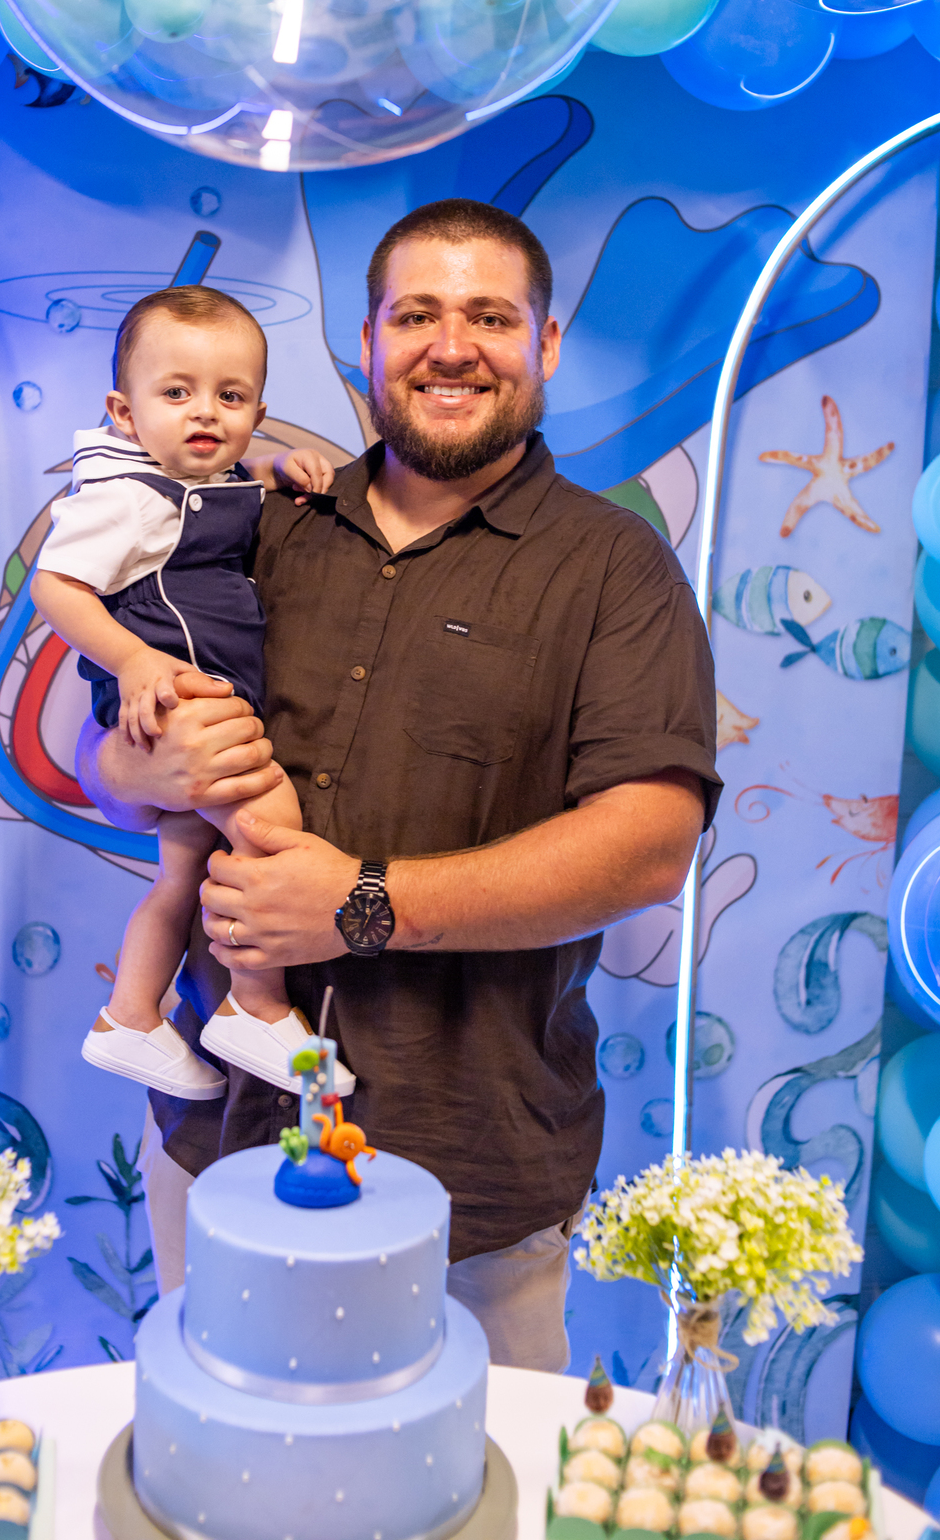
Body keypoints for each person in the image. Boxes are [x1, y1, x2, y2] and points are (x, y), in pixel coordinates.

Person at [76, 199, 723, 1372]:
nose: (451, 346)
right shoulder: (260, 525)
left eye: (491, 317)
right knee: (215, 1458)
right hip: (221, 1146)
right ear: (368, 343)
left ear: (546, 343)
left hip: (471, 1183)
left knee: (473, 1471)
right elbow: (109, 763)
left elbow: (648, 844)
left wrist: (362, 904)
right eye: (416, 315)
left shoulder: (614, 567)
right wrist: (138, 767)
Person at [32, 285, 357, 1102]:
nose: (205, 411)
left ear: (257, 413)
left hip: (197, 698)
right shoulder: (122, 496)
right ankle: (257, 1005)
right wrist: (133, 661)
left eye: (231, 397)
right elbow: (55, 587)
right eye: (176, 392)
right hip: (179, 698)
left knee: (180, 876)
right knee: (271, 830)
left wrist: (278, 470)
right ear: (124, 411)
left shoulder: (206, 477)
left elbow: (227, 493)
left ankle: (129, 1015)